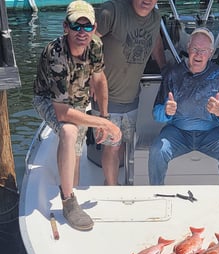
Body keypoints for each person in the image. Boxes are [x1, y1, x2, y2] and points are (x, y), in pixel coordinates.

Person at [33, 0, 121, 231]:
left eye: (87, 27)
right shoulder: (55, 54)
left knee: (78, 150)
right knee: (69, 131)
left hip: (79, 95)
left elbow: (99, 79)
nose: (82, 32)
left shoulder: (95, 45)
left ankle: (73, 186)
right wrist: (101, 123)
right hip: (49, 99)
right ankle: (68, 200)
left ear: (94, 28)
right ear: (65, 27)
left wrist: (105, 116)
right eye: (76, 26)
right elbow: (62, 113)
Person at [148, 28, 219, 186]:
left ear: (211, 53)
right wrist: (166, 111)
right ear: (188, 48)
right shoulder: (172, 74)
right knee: (157, 150)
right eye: (195, 49)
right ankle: (156, 193)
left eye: (204, 50)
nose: (199, 54)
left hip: (212, 133)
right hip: (177, 132)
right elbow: (156, 114)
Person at [92, 0, 166, 185]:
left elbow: (156, 42)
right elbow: (88, 39)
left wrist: (166, 70)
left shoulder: (156, 18)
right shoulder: (112, 11)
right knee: (112, 147)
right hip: (106, 98)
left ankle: (118, 181)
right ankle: (111, 187)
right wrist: (91, 75)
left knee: (124, 143)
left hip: (132, 96)